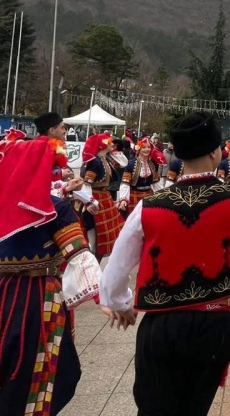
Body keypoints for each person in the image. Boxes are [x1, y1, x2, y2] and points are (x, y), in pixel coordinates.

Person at [99, 112, 230, 416]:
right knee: (194, 405)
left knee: (155, 406)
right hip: (215, 323)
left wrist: (120, 303)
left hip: (162, 324)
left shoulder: (148, 207)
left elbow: (116, 270)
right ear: (216, 152)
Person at [0, 135, 103, 415]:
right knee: (45, 368)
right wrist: (106, 297)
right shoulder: (54, 209)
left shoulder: (4, 205)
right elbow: (80, 256)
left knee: (8, 362)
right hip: (41, 299)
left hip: (4, 294)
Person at [82, 132, 124, 259]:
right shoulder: (95, 162)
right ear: (102, 145)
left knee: (107, 233)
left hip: (105, 198)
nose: (113, 144)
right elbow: (87, 184)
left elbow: (124, 162)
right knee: (97, 234)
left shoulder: (106, 159)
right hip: (97, 198)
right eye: (109, 142)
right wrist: (88, 202)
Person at [118, 137, 165, 215]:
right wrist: (123, 199)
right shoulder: (130, 164)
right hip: (134, 196)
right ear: (139, 149)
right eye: (144, 147)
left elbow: (156, 182)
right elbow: (125, 183)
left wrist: (162, 195)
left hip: (149, 196)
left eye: (149, 147)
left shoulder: (154, 164)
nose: (147, 149)